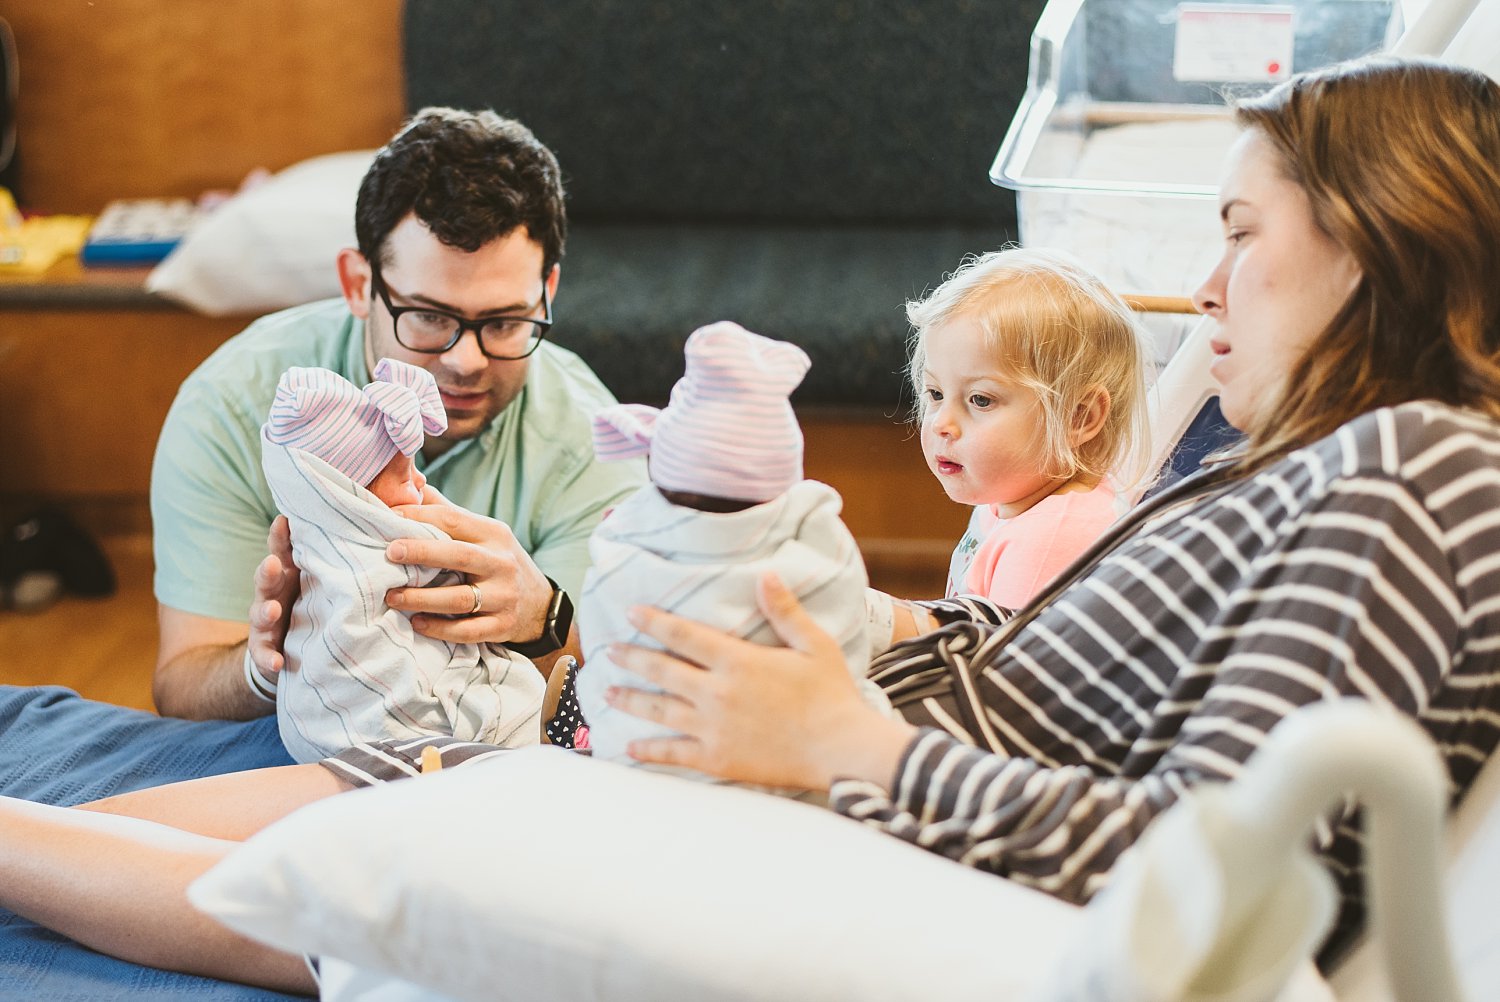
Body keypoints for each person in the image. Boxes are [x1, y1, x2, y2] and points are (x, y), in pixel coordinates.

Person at [1, 54, 1498, 992]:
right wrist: (875, 627)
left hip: (835, 787)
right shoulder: (1339, 465)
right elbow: (1070, 685)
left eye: (1240, 233)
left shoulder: (1419, 477)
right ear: (356, 288)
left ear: (1382, 237)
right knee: (359, 791)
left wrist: (844, 739)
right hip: (814, 738)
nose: (1209, 286)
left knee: (363, 829)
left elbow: (1213, 859)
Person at [150, 106, 646, 722]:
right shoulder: (229, 408)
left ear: (548, 292)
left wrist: (542, 617)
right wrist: (264, 665)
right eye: (430, 317)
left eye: (504, 322)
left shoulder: (592, 437)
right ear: (358, 284)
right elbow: (180, 688)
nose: (466, 361)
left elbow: (623, 698)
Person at [574, 321, 887, 773]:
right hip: (797, 765)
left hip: (640, 760)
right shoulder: (817, 539)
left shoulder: (621, 541)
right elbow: (848, 644)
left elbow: (601, 636)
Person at [260, 359, 545, 762]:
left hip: (310, 733)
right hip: (389, 731)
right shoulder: (380, 547)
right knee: (517, 701)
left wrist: (545, 612)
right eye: (403, 475)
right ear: (352, 502)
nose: (421, 483)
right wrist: (260, 671)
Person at [908, 247, 1150, 607]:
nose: (942, 423)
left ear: (1079, 418)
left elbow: (1005, 661)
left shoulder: (1052, 537)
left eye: (980, 400)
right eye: (936, 393)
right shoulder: (1014, 500)